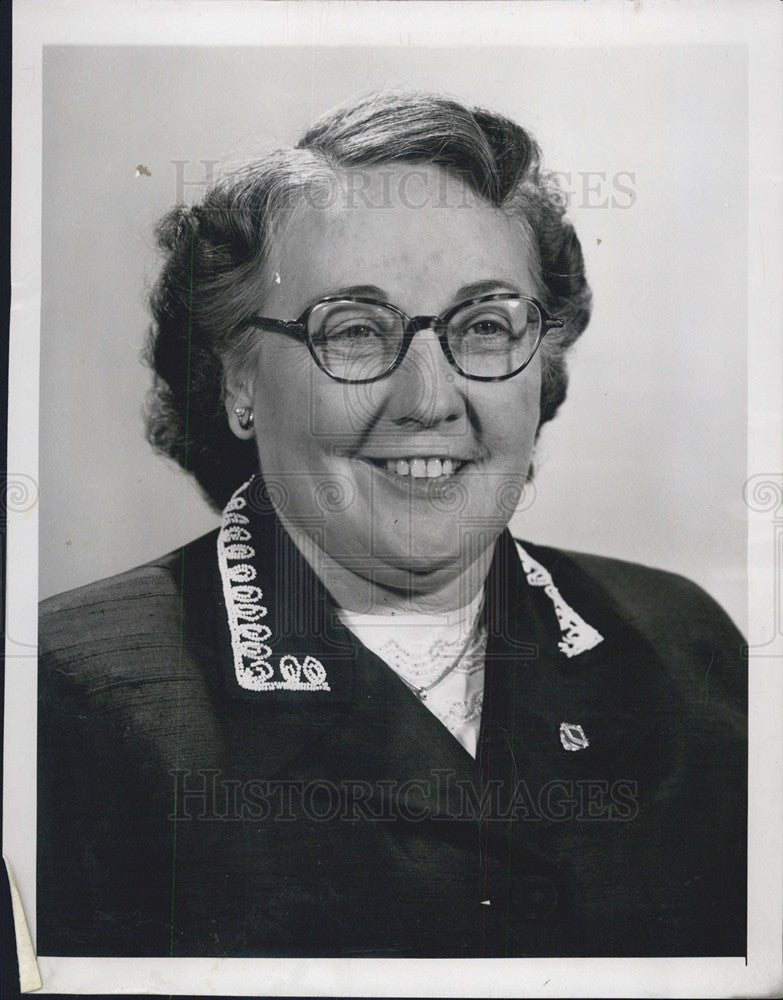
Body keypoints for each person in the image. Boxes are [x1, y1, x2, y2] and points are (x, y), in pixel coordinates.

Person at [37, 92, 747, 959]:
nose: (428, 400)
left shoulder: (685, 648)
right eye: (356, 332)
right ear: (238, 383)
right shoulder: (69, 700)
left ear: (541, 365)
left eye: (484, 326)